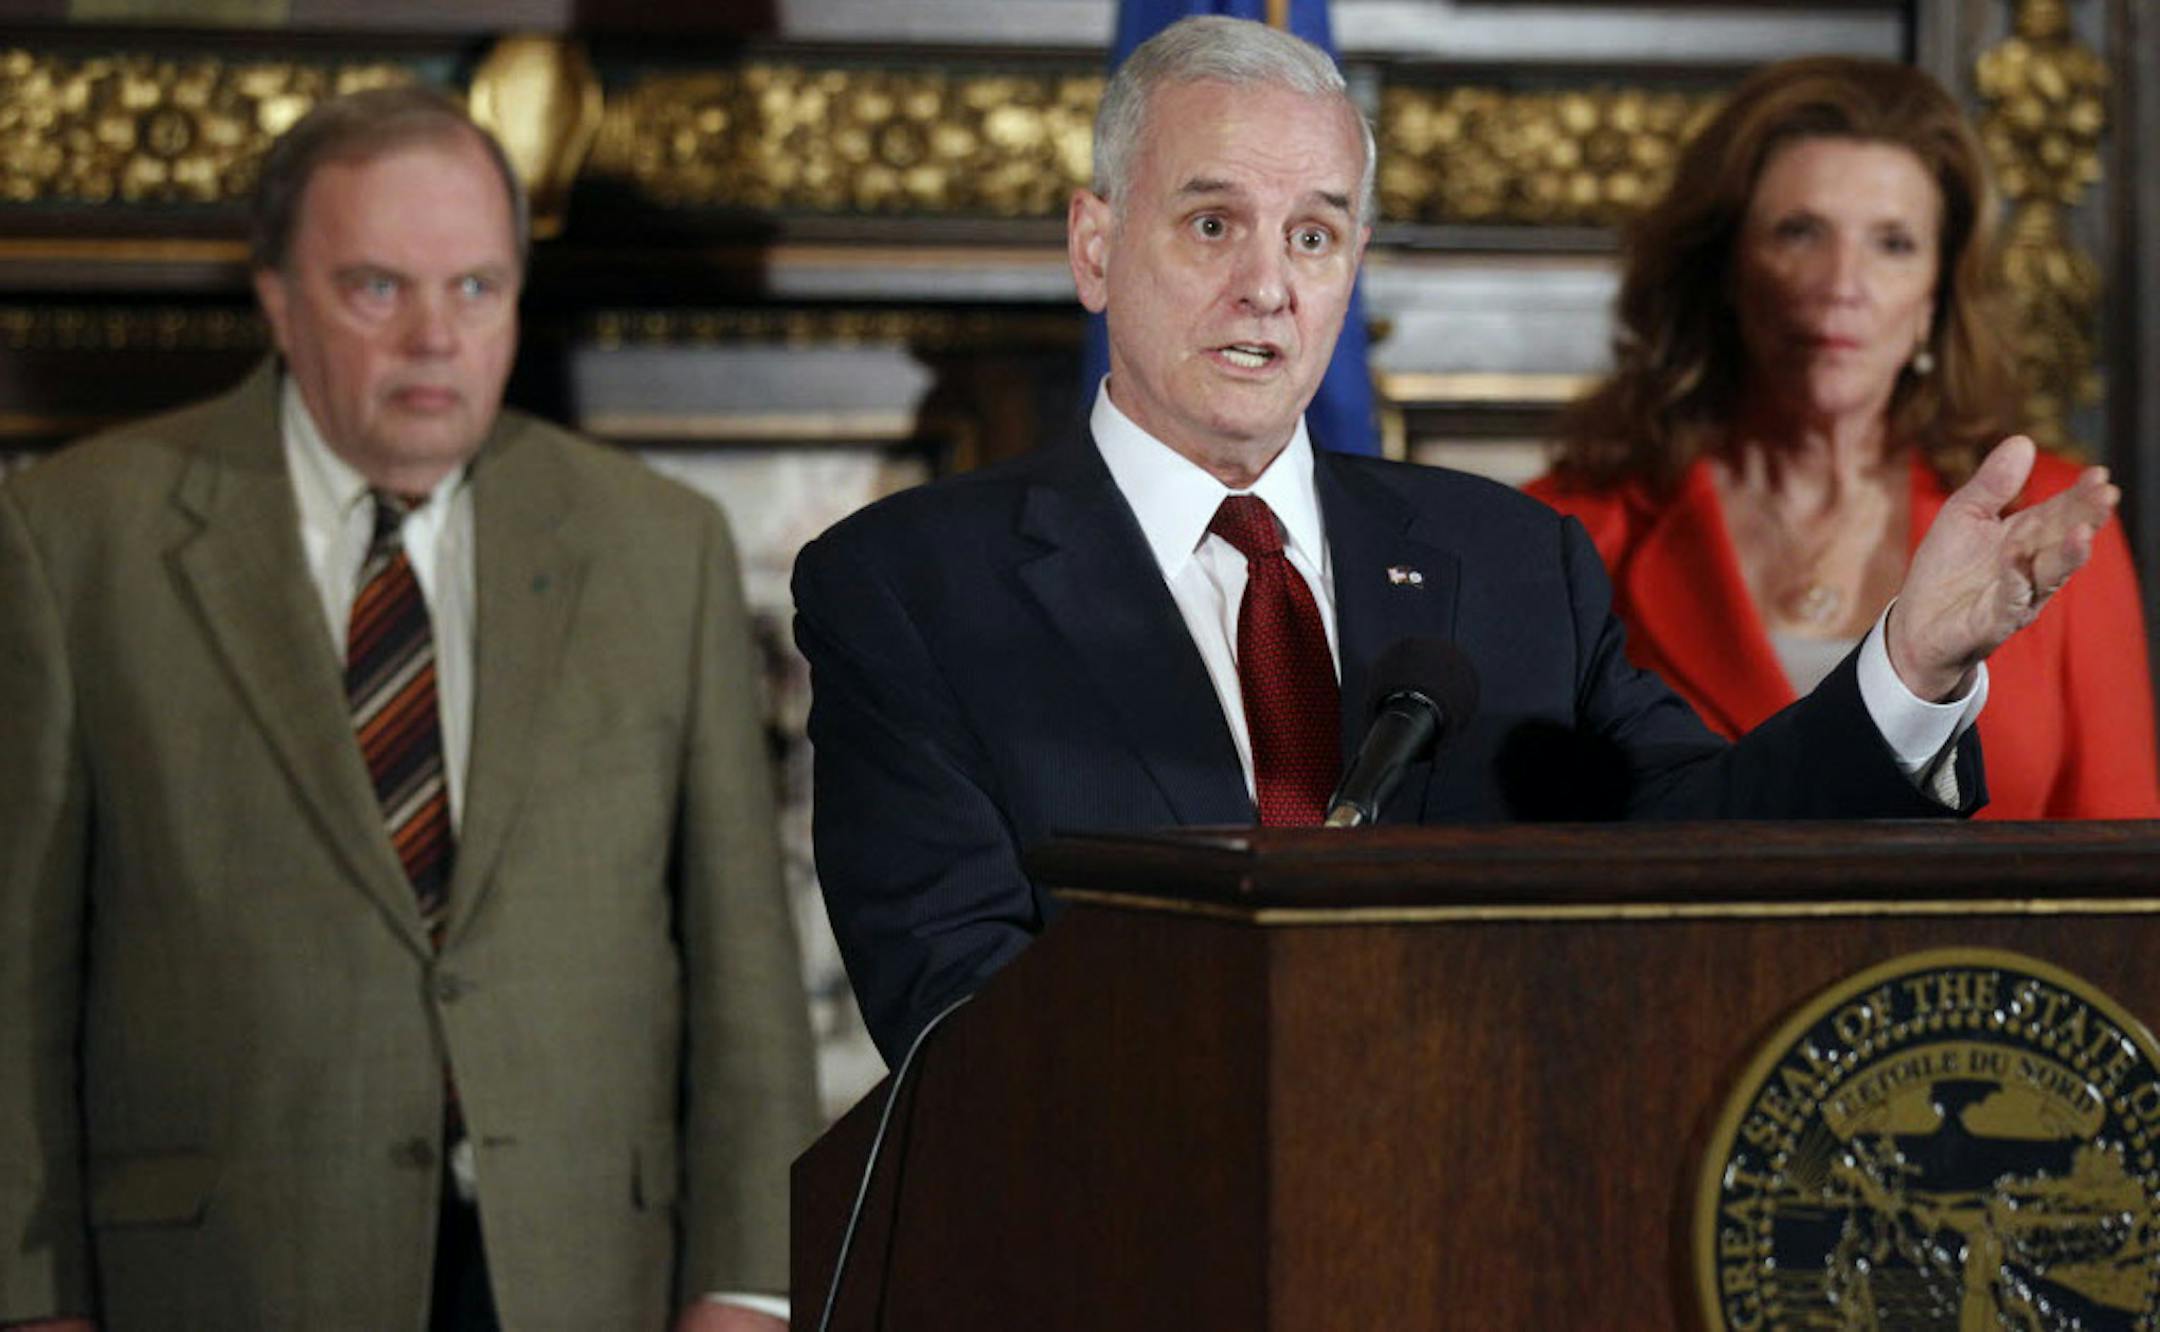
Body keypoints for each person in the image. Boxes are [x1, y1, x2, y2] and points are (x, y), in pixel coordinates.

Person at [792, 18, 2119, 1065]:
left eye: (1313, 233)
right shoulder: (914, 589)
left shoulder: (1508, 563)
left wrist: (1911, 664)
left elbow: (1713, 846)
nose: (1267, 284)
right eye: (1212, 224)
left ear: (1352, 263)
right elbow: (958, 1025)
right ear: (1094, 247)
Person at [0, 88, 817, 1331]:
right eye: (379, 289)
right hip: (223, 1277)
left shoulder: (660, 547)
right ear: (278, 297)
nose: (436, 338)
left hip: (581, 1275)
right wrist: (31, 1301)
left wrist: (752, 1289)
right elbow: (18, 980)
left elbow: (743, 968)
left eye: (477, 289)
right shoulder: (75, 540)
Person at [1527, 55, 2159, 818]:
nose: (1841, 283)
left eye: (1893, 244)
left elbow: (2121, 883)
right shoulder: (1571, 533)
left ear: (1935, 298)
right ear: (1724, 270)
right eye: (1800, 233)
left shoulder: (2048, 525)